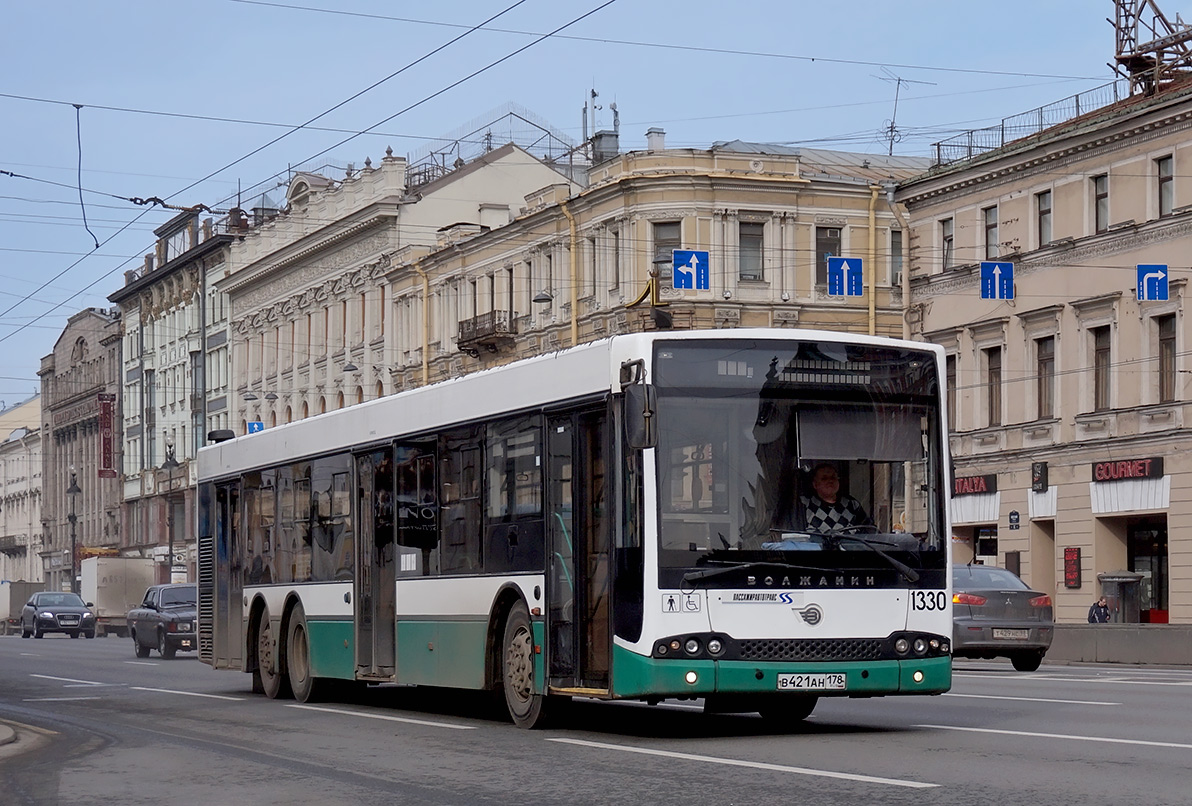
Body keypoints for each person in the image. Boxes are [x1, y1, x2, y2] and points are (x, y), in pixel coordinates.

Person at [800, 463, 872, 533]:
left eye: (833, 477)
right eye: (824, 478)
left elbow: (870, 530)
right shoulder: (805, 504)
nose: (830, 481)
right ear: (815, 484)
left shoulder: (852, 504)